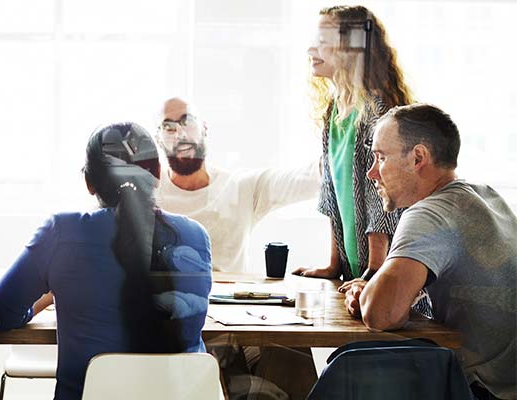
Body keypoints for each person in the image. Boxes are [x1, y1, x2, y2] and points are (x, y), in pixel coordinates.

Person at [0, 122, 212, 400]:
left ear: (89, 182)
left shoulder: (62, 232)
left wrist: (49, 296)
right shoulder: (195, 236)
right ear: (157, 175)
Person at [343, 104, 515, 400]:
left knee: (348, 369)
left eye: (381, 157)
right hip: (508, 382)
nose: (372, 172)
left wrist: (370, 293)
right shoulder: (486, 196)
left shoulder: (430, 213)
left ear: (418, 157)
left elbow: (381, 314)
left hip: (484, 392)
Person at [292, 5, 413, 282]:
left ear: (351, 48)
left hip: (386, 273)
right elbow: (330, 191)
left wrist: (374, 271)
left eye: (323, 42)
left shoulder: (376, 112)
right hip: (354, 269)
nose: (312, 50)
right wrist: (334, 266)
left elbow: (382, 195)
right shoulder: (333, 111)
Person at [155, 97, 320, 273]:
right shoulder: (146, 193)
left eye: (187, 121)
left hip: (230, 299)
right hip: (167, 299)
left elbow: (310, 177)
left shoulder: (240, 187)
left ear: (204, 128)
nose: (180, 134)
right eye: (168, 127)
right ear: (158, 139)